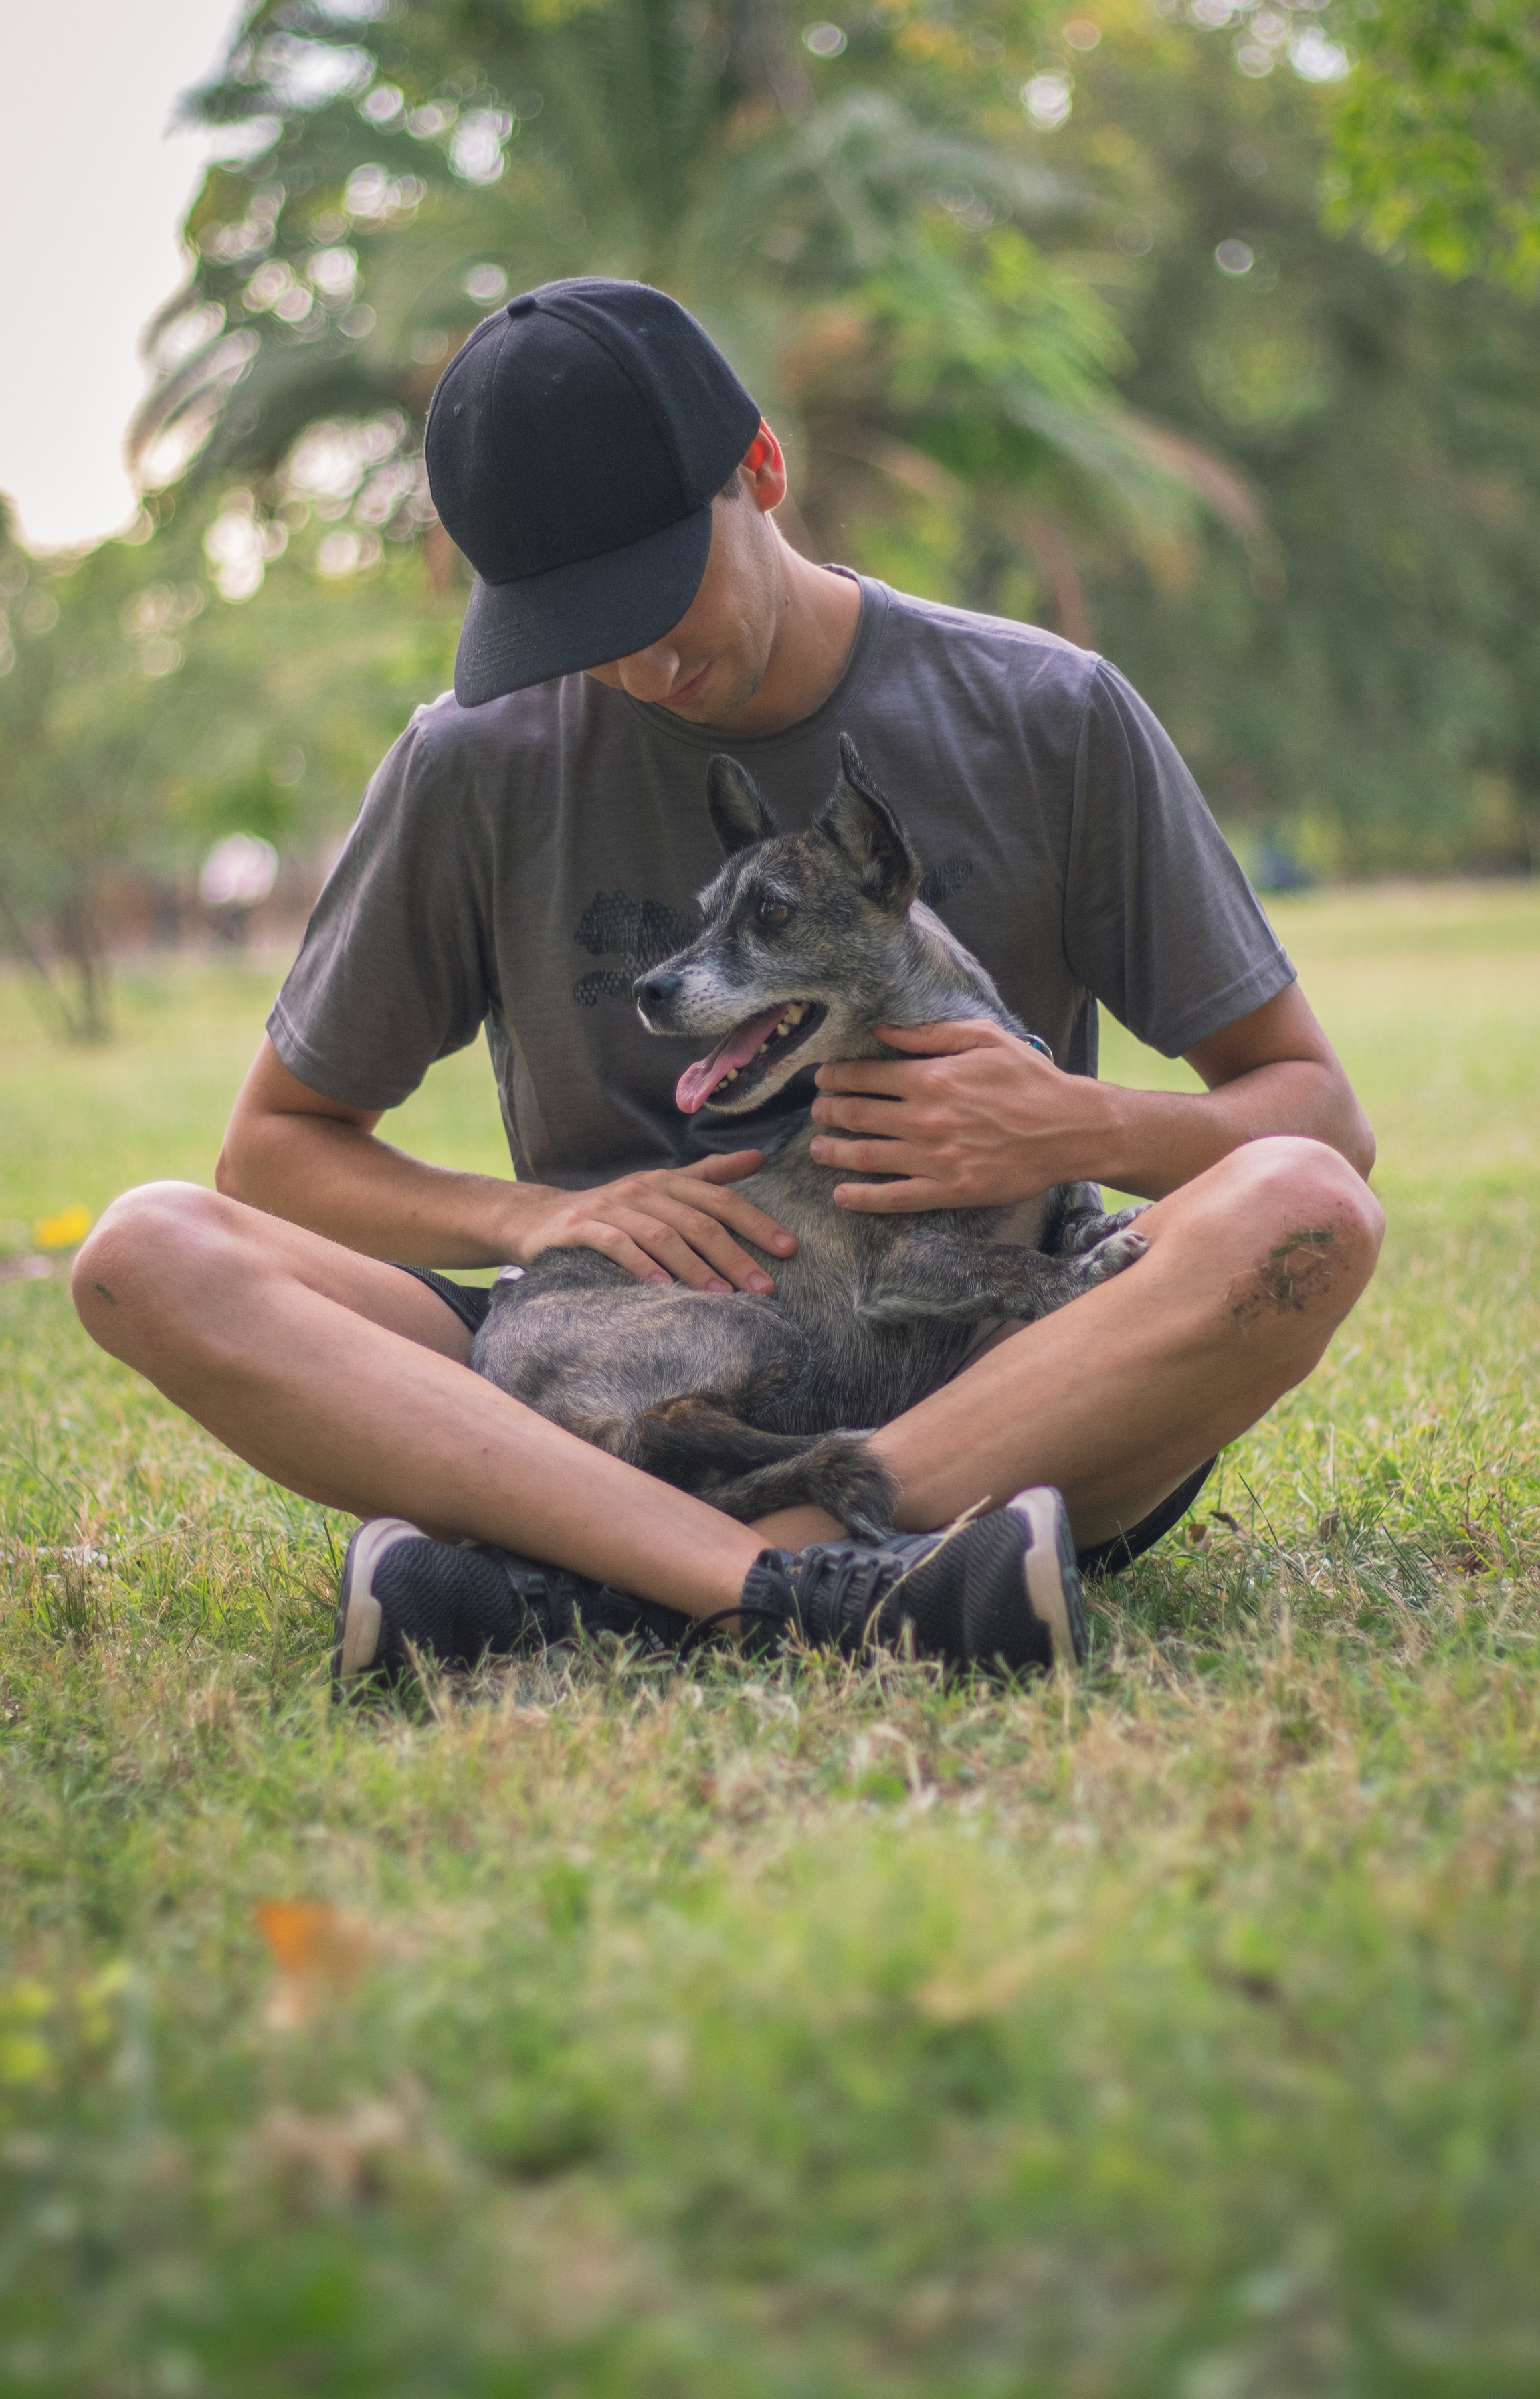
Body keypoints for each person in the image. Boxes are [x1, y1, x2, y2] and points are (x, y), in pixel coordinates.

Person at [72, 278, 1383, 1681]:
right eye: (574, 625)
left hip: (978, 1370)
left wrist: (1080, 1128)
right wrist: (531, 1218)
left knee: (1302, 1211)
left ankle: (579, 1583)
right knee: (148, 1251)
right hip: (601, 1364)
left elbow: (1314, 1114)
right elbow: (271, 1152)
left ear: (761, 468)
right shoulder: (474, 762)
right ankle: (816, 1587)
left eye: (652, 594)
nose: (639, 665)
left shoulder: (1044, 713)